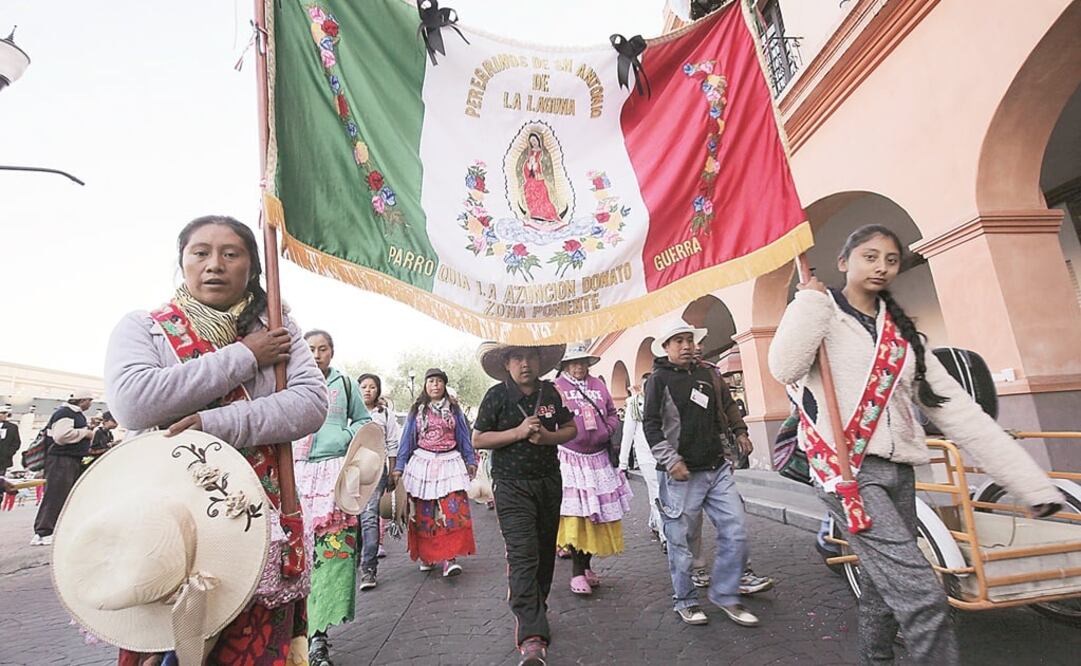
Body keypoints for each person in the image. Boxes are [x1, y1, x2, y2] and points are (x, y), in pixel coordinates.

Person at [768, 224, 1064, 665]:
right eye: (870, 256)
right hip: (847, 474)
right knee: (923, 593)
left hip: (900, 471)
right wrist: (809, 300)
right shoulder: (821, 314)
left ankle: (875, 656)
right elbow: (783, 366)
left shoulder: (903, 337)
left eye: (891, 260)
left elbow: (961, 414)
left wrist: (1033, 486)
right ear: (844, 261)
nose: (882, 267)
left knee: (882, 579)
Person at [104, 214, 329, 664]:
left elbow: (309, 404)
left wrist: (214, 423)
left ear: (252, 267)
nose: (214, 265)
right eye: (200, 253)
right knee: (169, 645)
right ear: (182, 262)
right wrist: (245, 355)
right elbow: (134, 402)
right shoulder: (144, 327)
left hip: (257, 520)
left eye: (231, 254)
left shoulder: (278, 332)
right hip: (170, 523)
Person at [644, 322, 758, 628]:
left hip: (716, 467)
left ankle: (726, 594)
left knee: (735, 530)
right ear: (666, 347)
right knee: (681, 544)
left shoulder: (708, 374)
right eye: (677, 341)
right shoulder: (658, 380)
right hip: (682, 474)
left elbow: (724, 409)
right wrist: (671, 460)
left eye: (688, 340)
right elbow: (651, 426)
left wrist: (738, 433)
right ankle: (686, 600)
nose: (685, 346)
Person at [473, 343, 576, 666]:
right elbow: (478, 438)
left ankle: (535, 605)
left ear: (540, 361)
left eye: (531, 357)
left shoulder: (551, 392)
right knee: (523, 555)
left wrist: (547, 438)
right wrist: (518, 432)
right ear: (506, 363)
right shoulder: (496, 396)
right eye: (517, 358)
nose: (525, 364)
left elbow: (571, 429)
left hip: (548, 483)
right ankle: (532, 637)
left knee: (545, 553)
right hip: (511, 486)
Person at [294, 329, 370, 666]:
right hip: (295, 475)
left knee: (333, 553)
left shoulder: (346, 384)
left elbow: (364, 421)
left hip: (333, 475)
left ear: (332, 353)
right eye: (310, 349)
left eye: (323, 349)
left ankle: (319, 637)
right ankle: (298, 635)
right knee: (297, 559)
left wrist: (343, 436)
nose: (316, 355)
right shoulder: (290, 380)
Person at [689, 344, 775, 596]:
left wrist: (740, 432)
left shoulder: (713, 374)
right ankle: (697, 568)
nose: (693, 347)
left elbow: (728, 405)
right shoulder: (664, 378)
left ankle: (742, 573)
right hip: (685, 463)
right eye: (683, 341)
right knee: (691, 521)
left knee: (733, 515)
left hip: (717, 454)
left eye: (696, 342)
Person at [552, 345, 632, 595]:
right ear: (564, 366)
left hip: (598, 459)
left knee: (595, 514)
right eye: (573, 363)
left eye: (582, 362)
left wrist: (607, 430)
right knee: (577, 515)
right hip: (570, 458)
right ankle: (576, 572)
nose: (578, 367)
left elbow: (611, 413)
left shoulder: (598, 385)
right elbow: (550, 418)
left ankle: (586, 567)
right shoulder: (556, 388)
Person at [391, 368, 478, 577]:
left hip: (450, 463)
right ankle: (427, 555)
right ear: (425, 385)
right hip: (423, 464)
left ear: (444, 385)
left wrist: (470, 459)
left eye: (439, 381)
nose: (435, 385)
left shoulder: (454, 410)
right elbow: (407, 440)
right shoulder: (417, 410)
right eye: (431, 381)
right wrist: (399, 467)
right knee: (423, 512)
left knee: (452, 509)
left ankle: (450, 558)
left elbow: (463, 435)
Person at [31, 393, 96, 546]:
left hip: (70, 459)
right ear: (83, 400)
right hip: (61, 459)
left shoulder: (74, 414)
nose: (90, 404)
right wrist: (85, 433)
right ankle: (44, 531)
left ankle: (53, 529)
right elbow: (61, 436)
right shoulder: (66, 413)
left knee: (64, 495)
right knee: (55, 494)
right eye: (89, 401)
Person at [357, 373, 400, 590]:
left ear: (378, 390)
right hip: (350, 472)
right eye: (363, 386)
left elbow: (392, 443)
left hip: (375, 471)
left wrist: (393, 471)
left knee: (369, 517)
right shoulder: (349, 413)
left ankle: (369, 568)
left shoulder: (385, 415)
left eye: (372, 387)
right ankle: (352, 564)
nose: (367, 390)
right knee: (351, 521)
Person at [619, 374, 665, 547]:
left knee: (663, 493)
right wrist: (623, 463)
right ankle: (664, 535)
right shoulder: (634, 404)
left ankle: (655, 522)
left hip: (665, 454)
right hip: (646, 456)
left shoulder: (663, 401)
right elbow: (627, 434)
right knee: (657, 492)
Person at [0, 406, 20, 474]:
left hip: (3, 460)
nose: (2, 415)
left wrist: (9, 453)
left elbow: (16, 442)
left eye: (4, 413)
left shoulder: (12, 427)